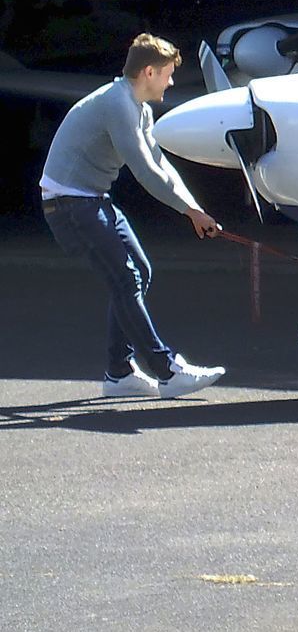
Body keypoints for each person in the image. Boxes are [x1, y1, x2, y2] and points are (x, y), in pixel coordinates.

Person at [40, 33, 226, 399]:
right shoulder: (117, 105)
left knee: (140, 272)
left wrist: (196, 210)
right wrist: (187, 210)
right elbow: (144, 170)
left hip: (91, 199)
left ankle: (119, 372)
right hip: (68, 204)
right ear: (149, 72)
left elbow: (160, 162)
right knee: (126, 281)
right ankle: (167, 370)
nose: (172, 82)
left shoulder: (138, 106)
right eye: (168, 74)